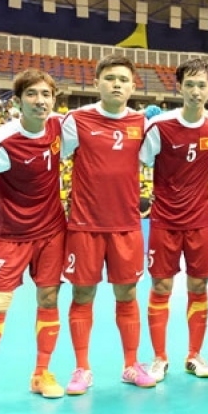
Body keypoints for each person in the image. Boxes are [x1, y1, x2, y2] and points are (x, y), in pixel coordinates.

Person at [0, 69, 67, 411]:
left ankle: (41, 374)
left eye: (46, 95)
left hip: (52, 231)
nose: (41, 101)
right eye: (33, 95)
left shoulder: (58, 126)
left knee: (48, 299)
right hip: (12, 235)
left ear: (54, 99)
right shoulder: (1, 139)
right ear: (19, 101)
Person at [60, 54, 156, 395]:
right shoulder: (76, 120)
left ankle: (131, 365)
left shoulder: (144, 124)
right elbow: (52, 156)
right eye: (110, 78)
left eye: (123, 79)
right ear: (97, 83)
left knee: (127, 293)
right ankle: (81, 369)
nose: (117, 84)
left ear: (133, 85)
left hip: (126, 225)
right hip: (85, 225)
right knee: (82, 293)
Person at [139, 58, 208, 381]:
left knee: (199, 284)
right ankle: (159, 357)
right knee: (161, 285)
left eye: (202, 84)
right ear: (179, 87)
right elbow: (141, 160)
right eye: (189, 84)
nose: (195, 90)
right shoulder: (160, 126)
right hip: (164, 220)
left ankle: (195, 354)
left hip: (201, 220)